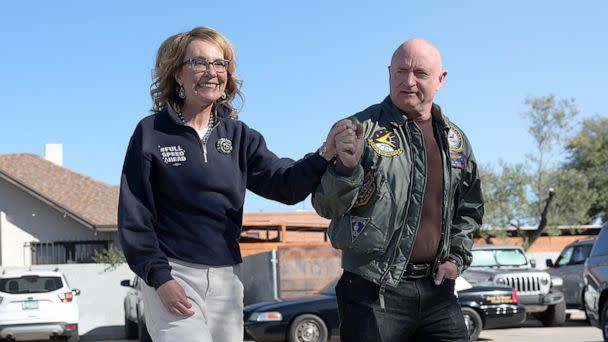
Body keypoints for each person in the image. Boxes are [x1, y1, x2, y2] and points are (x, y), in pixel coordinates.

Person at [118, 26, 350, 342]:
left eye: (220, 63)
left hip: (226, 282)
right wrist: (160, 279)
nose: (212, 72)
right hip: (174, 276)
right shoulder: (151, 133)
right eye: (199, 63)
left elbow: (285, 185)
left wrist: (326, 152)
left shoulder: (240, 137)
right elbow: (135, 218)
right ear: (178, 74)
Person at [312, 38, 484, 341]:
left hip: (437, 292)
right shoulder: (356, 129)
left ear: (441, 79)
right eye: (400, 71)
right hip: (371, 291)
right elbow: (325, 205)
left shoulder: (456, 141)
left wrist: (456, 258)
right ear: (389, 72)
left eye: (420, 73)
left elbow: (469, 208)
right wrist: (346, 170)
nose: (408, 81)